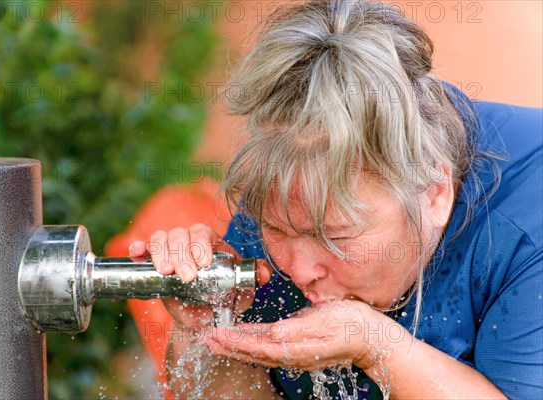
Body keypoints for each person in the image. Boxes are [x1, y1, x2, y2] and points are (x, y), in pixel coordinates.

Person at [129, 0, 542, 398]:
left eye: (335, 238)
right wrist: (208, 332)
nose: (299, 270)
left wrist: (377, 347)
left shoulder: (526, 225)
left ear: (434, 191)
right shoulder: (292, 191)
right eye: (273, 228)